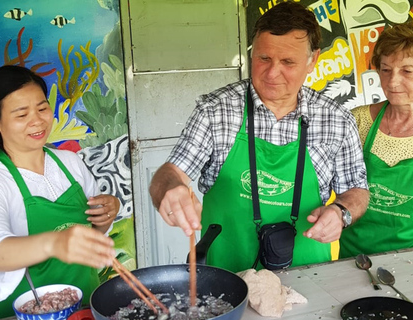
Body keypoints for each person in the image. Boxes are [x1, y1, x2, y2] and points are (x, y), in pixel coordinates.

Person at [149, 1, 369, 273]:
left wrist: (341, 213)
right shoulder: (216, 111)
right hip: (226, 277)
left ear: (313, 60)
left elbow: (357, 190)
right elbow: (171, 173)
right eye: (264, 58)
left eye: (288, 62)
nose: (272, 73)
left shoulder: (336, 120)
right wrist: (169, 190)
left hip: (310, 274)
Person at [0, 65, 119, 318]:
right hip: (20, 314)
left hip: (81, 308)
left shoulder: (70, 163)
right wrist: (54, 242)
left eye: (42, 108)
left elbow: (93, 233)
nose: (37, 121)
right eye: (21, 114)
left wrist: (106, 215)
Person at [340, 21, 413, 258]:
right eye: (385, 70)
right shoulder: (358, 121)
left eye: (407, 71)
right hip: (353, 258)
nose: (392, 82)